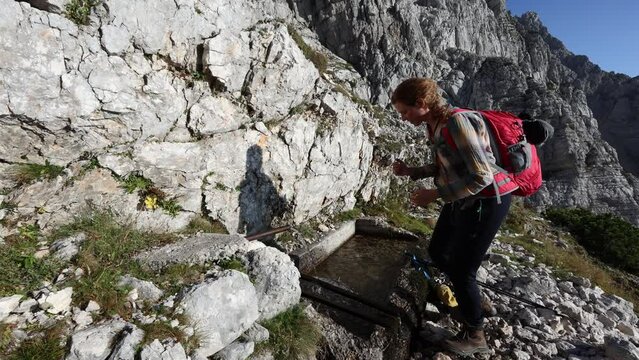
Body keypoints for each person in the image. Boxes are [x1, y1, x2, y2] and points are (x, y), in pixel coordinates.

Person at [391, 78, 515, 356]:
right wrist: (411, 172)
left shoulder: (456, 123)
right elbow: (444, 166)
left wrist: (433, 196)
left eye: (405, 112)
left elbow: (482, 175)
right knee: (438, 250)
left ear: (422, 104)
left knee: (462, 269)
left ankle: (475, 336)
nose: (403, 118)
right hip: (462, 198)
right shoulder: (432, 125)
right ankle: (472, 299)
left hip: (487, 200)